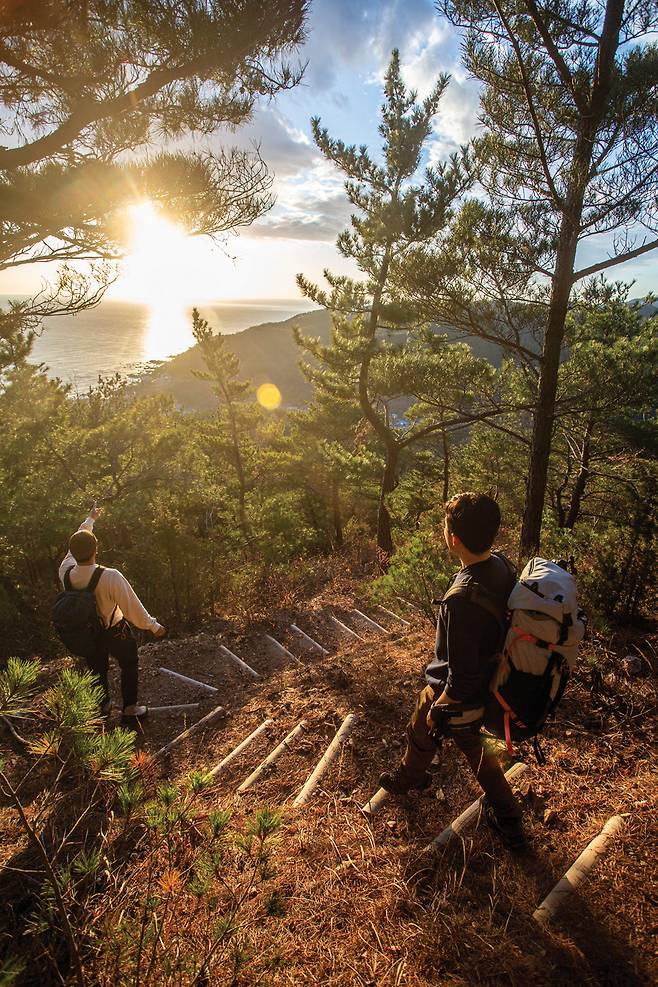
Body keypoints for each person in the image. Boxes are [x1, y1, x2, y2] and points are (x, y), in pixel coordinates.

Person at [379, 492, 526, 850]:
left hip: (470, 690)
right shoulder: (501, 565)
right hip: (494, 672)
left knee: (454, 732)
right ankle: (412, 775)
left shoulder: (462, 599)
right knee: (430, 716)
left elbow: (460, 680)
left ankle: (509, 819)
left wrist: (439, 710)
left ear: (454, 538)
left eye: (445, 526)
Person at [58, 503, 165, 717]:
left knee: (97, 670)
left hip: (87, 633)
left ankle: (103, 706)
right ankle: (130, 708)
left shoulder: (66, 571)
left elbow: (75, 545)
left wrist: (90, 520)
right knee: (129, 662)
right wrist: (153, 626)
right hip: (115, 631)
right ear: (96, 550)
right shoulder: (109, 576)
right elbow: (132, 606)